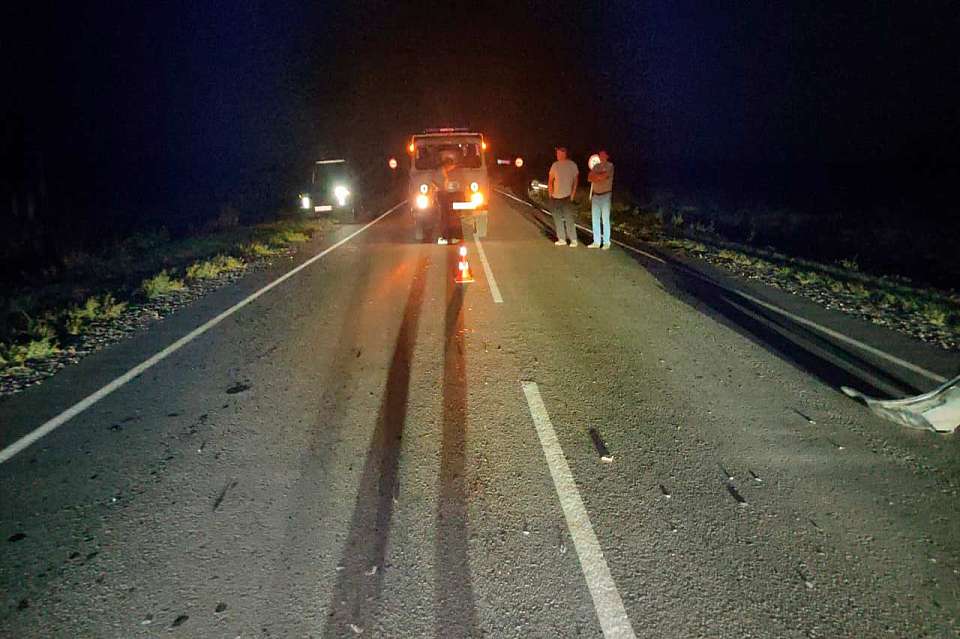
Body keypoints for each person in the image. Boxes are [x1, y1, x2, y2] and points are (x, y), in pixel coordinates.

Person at [547, 146, 579, 247]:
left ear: (564, 154)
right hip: (555, 196)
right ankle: (561, 238)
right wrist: (550, 193)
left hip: (566, 196)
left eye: (559, 153)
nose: (557, 155)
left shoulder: (572, 165)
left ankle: (573, 239)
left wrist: (573, 193)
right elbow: (550, 180)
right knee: (557, 218)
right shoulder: (555, 165)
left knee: (568, 218)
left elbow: (576, 180)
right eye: (557, 153)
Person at [586, 150, 615, 249]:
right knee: (595, 219)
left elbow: (604, 176)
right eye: (600, 155)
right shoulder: (596, 166)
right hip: (596, 195)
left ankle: (606, 242)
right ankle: (596, 241)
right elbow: (589, 177)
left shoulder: (610, 166)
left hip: (605, 195)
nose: (601, 157)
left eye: (603, 155)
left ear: (607, 156)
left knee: (605, 219)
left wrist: (597, 176)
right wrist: (598, 176)